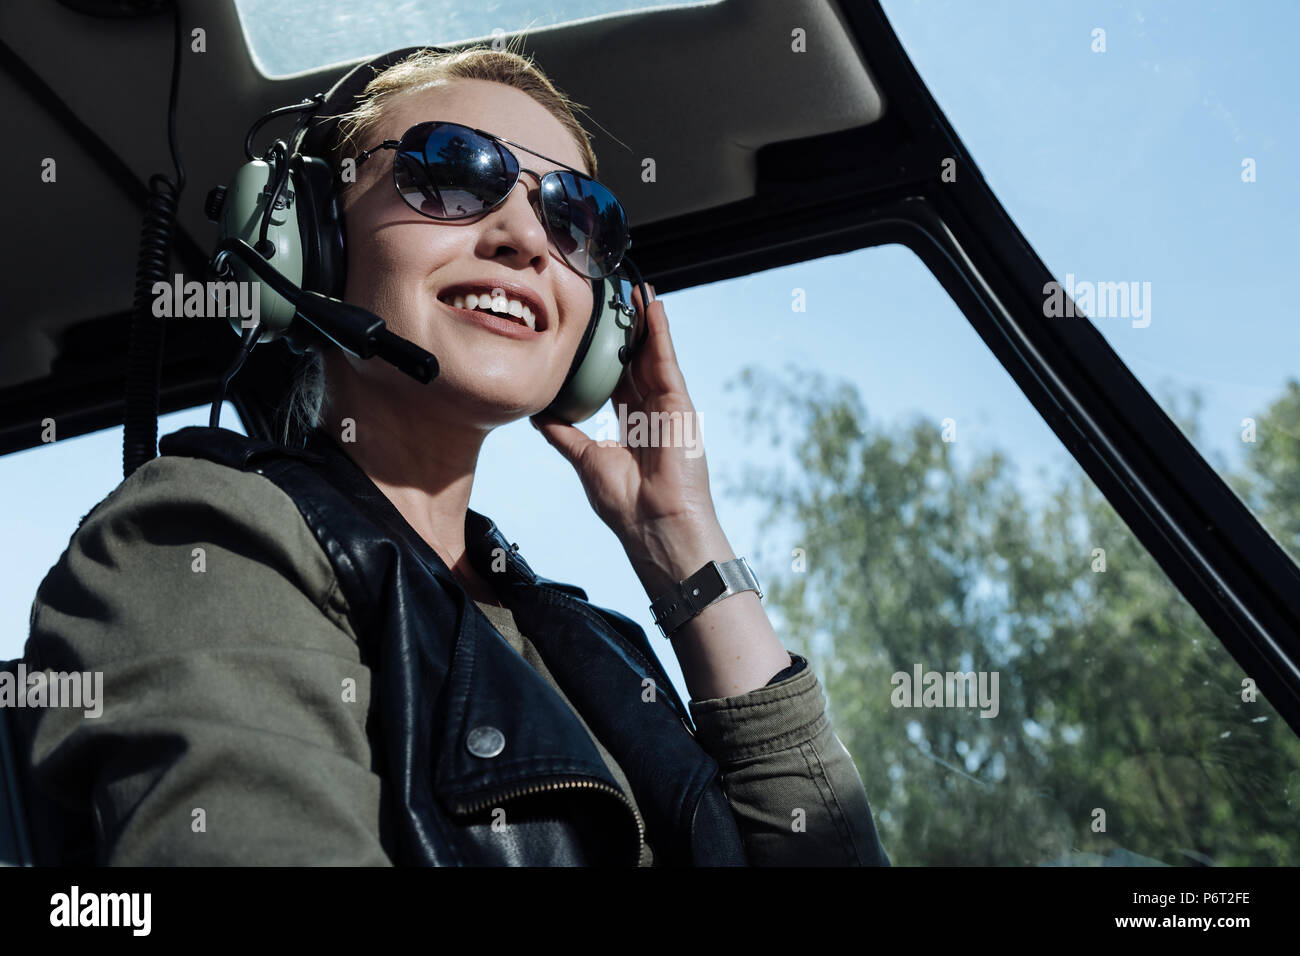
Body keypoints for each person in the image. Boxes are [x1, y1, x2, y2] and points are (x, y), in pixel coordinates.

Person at [21, 45, 890, 866]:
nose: (525, 236)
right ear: (309, 236)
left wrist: (682, 540)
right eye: (447, 173)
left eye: (577, 218)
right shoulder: (202, 539)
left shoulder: (593, 644)